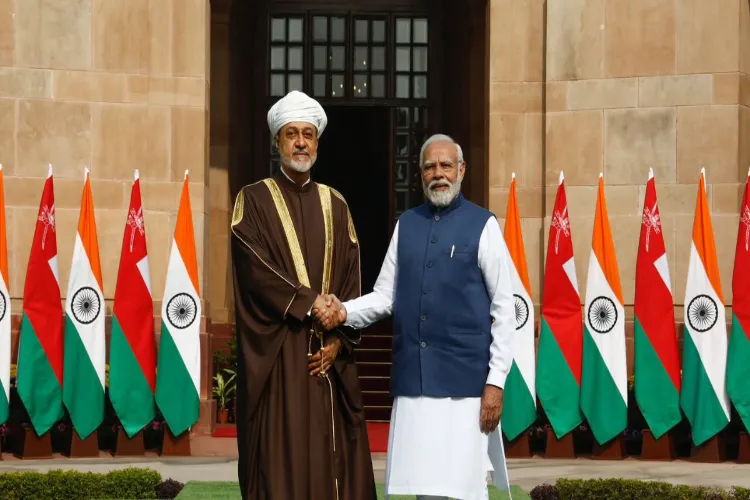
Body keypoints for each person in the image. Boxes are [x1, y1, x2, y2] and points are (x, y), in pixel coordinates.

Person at [315, 133, 515, 500]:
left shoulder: (484, 225)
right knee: (423, 489)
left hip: (466, 386)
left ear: (461, 170)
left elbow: (507, 307)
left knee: (465, 489)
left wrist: (496, 382)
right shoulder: (406, 224)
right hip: (414, 383)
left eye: (445, 165)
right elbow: (385, 295)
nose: (438, 174)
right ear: (420, 174)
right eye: (429, 167)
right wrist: (344, 311)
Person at [230, 90, 377, 500]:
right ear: (277, 141)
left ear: (317, 142)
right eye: (291, 134)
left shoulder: (337, 203)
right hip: (281, 355)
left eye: (308, 135)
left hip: (328, 359)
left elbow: (350, 278)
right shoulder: (253, 200)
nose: (300, 142)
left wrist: (336, 338)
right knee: (283, 460)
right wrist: (311, 302)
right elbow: (255, 270)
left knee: (336, 461)